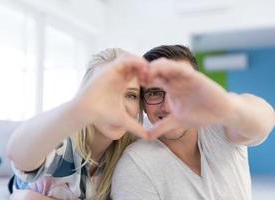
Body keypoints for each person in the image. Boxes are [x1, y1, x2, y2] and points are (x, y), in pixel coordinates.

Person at [111, 45, 275, 200]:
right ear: (143, 104)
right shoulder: (136, 164)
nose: (168, 107)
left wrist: (225, 106)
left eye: (180, 90)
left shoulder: (219, 125)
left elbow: (263, 122)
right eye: (154, 93)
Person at [7, 48, 150, 200]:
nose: (119, 106)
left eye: (131, 95)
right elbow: (19, 155)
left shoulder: (133, 155)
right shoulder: (63, 145)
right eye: (107, 91)